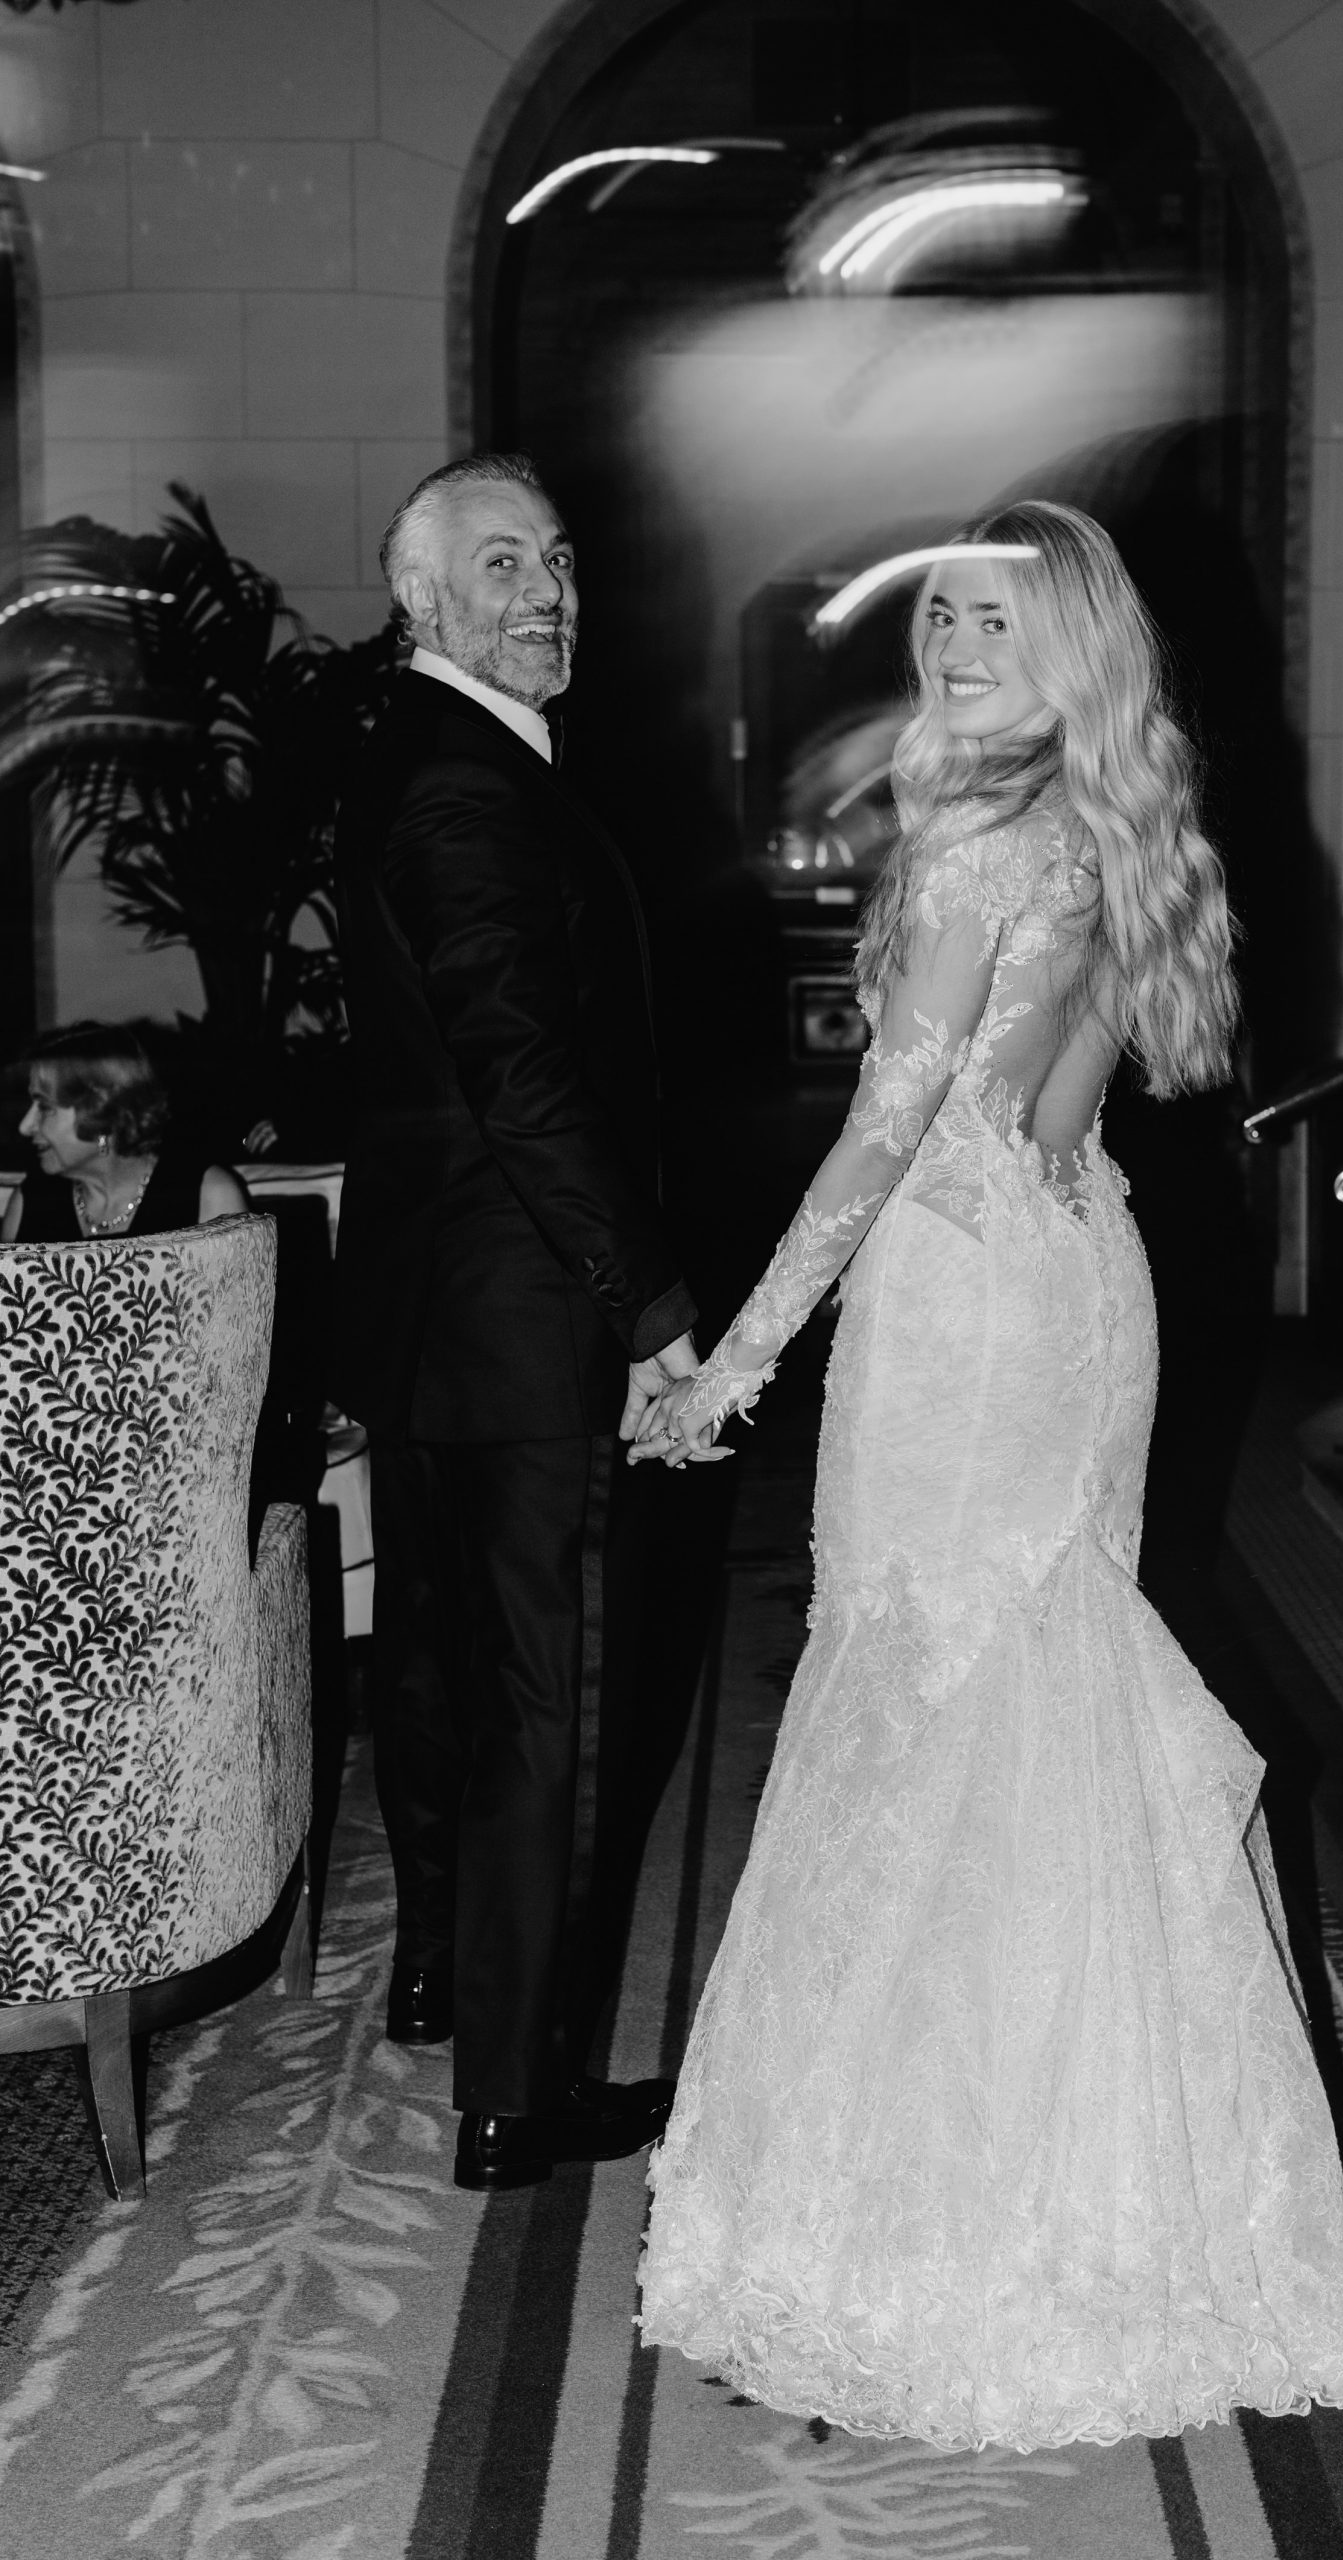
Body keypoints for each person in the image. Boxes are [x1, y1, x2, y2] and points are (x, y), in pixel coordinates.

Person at [632, 501, 1343, 2448]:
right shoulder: (1106, 826)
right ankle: (1095, 2208)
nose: (954, 644)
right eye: (942, 618)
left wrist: (737, 1354)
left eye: (995, 619)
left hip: (966, 1316)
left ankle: (921, 2241)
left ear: (1066, 646)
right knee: (1023, 1696)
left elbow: (887, 1132)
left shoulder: (983, 843)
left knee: (925, 1712)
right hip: (1073, 1279)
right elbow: (1059, 1107)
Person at [333, 452, 720, 2197]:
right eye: (499, 564)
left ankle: (438, 1975)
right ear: (420, 596)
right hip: (528, 1313)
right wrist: (645, 1301)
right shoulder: (466, 784)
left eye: (556, 560)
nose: (547, 593)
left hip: (439, 1308)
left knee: (441, 1670)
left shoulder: (435, 756)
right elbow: (521, 1071)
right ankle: (519, 2092)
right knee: (549, 1706)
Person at [3, 1022, 247, 1241]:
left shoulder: (209, 1195)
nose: (25, 1126)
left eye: (45, 1107)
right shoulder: (30, 1201)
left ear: (102, 1110)